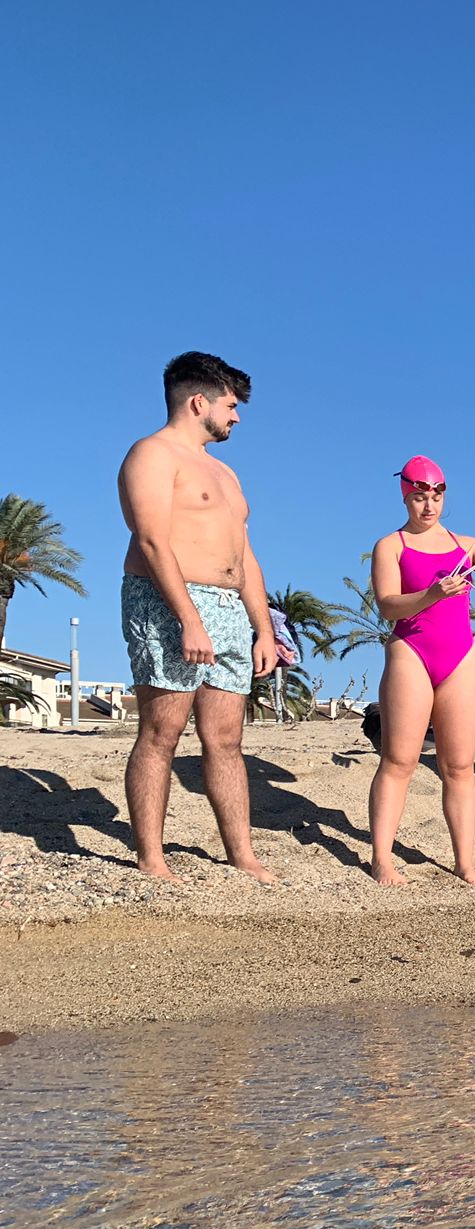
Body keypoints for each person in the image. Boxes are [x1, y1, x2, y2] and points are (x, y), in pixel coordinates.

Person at [118, 351, 280, 884]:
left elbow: (245, 555)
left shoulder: (225, 472)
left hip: (229, 606)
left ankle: (242, 853)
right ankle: (151, 857)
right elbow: (151, 541)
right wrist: (188, 617)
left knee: (226, 738)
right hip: (168, 598)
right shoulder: (152, 454)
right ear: (197, 402)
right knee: (162, 730)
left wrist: (263, 628)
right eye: (230, 406)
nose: (237, 417)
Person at [367, 456, 475, 886]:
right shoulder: (391, 546)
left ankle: (465, 861)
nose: (429, 506)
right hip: (411, 652)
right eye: (419, 498)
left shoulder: (465, 545)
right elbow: (388, 606)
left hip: (459, 656)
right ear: (405, 497)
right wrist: (432, 593)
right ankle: (382, 858)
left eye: (436, 498)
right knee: (399, 760)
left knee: (459, 766)